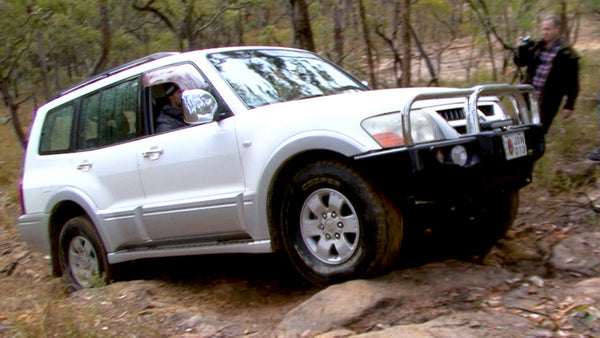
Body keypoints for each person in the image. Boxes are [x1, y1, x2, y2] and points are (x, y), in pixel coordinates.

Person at [513, 15, 579, 134]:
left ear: (557, 29)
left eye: (548, 29)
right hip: (528, 96)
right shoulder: (536, 47)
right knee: (520, 130)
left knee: (538, 133)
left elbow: (573, 83)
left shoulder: (567, 54)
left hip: (549, 100)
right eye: (543, 29)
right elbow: (520, 62)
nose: (544, 32)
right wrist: (520, 49)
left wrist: (569, 105)